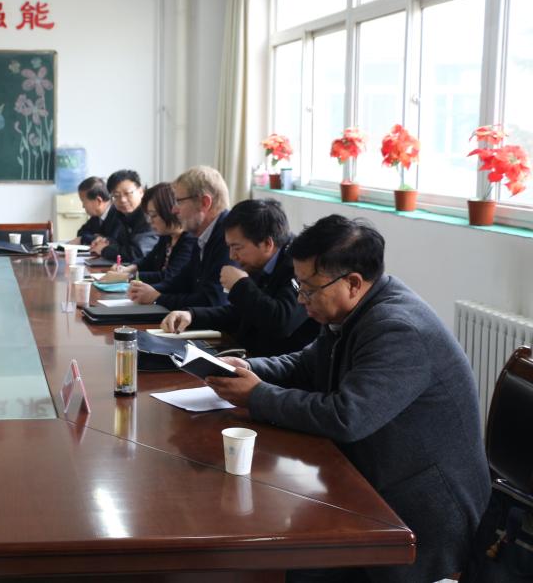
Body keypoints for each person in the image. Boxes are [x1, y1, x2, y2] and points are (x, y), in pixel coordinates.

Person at [206, 215, 490, 583]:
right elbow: (305, 363)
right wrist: (248, 367)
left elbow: (346, 417)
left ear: (353, 283)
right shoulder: (353, 310)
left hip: (419, 509)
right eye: (298, 285)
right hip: (370, 478)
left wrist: (257, 395)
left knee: (296, 562)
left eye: (309, 288)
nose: (300, 298)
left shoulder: (398, 329)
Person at [160, 199, 318, 357]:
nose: (232, 256)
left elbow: (281, 323)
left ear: (267, 244)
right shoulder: (259, 263)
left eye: (237, 248)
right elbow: (240, 313)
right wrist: (192, 315)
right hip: (248, 355)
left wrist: (241, 285)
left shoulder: (298, 265)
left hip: (280, 364)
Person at [128, 166, 230, 309]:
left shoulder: (228, 238)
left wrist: (158, 297)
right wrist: (148, 291)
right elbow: (181, 281)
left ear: (204, 203)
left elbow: (212, 301)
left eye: (179, 201)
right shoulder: (203, 235)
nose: (174, 210)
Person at [99, 182, 195, 286]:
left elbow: (169, 276)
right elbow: (148, 261)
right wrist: (128, 269)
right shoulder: (167, 236)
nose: (150, 221)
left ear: (170, 211)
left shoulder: (190, 240)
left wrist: (128, 276)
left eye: (153, 215)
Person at [88, 169, 158, 262]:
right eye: (116, 195)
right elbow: (123, 244)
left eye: (127, 193)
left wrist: (104, 249)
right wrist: (107, 242)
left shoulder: (149, 215)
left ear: (141, 191)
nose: (122, 200)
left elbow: (137, 253)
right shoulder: (122, 214)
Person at [70, 176, 117, 245]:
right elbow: (81, 233)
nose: (83, 206)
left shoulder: (118, 214)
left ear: (98, 201)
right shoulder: (96, 216)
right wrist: (95, 238)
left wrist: (91, 238)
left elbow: (110, 242)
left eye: (84, 201)